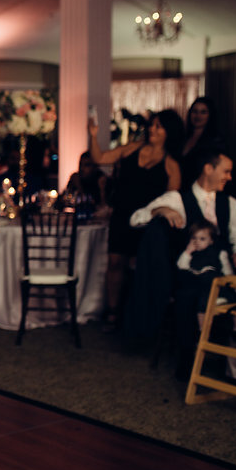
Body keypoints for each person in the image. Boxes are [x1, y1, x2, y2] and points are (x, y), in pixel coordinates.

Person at [129, 149, 236, 374]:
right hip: (189, 274)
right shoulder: (178, 198)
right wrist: (161, 209)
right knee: (189, 292)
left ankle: (234, 361)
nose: (229, 177)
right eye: (226, 172)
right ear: (209, 168)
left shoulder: (231, 203)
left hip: (221, 271)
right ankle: (189, 359)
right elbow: (136, 218)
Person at [88, 109, 183, 330]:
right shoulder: (132, 148)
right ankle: (112, 313)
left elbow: (171, 200)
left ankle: (136, 315)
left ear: (169, 131)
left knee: (140, 266)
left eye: (159, 126)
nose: (152, 129)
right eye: (152, 125)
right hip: (122, 214)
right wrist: (92, 135)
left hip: (147, 222)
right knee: (115, 263)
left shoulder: (171, 164)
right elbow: (100, 158)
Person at [181, 97, 223, 188]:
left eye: (203, 112)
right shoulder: (182, 137)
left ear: (210, 115)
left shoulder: (214, 141)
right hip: (181, 187)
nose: (198, 116)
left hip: (200, 188)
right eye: (195, 111)